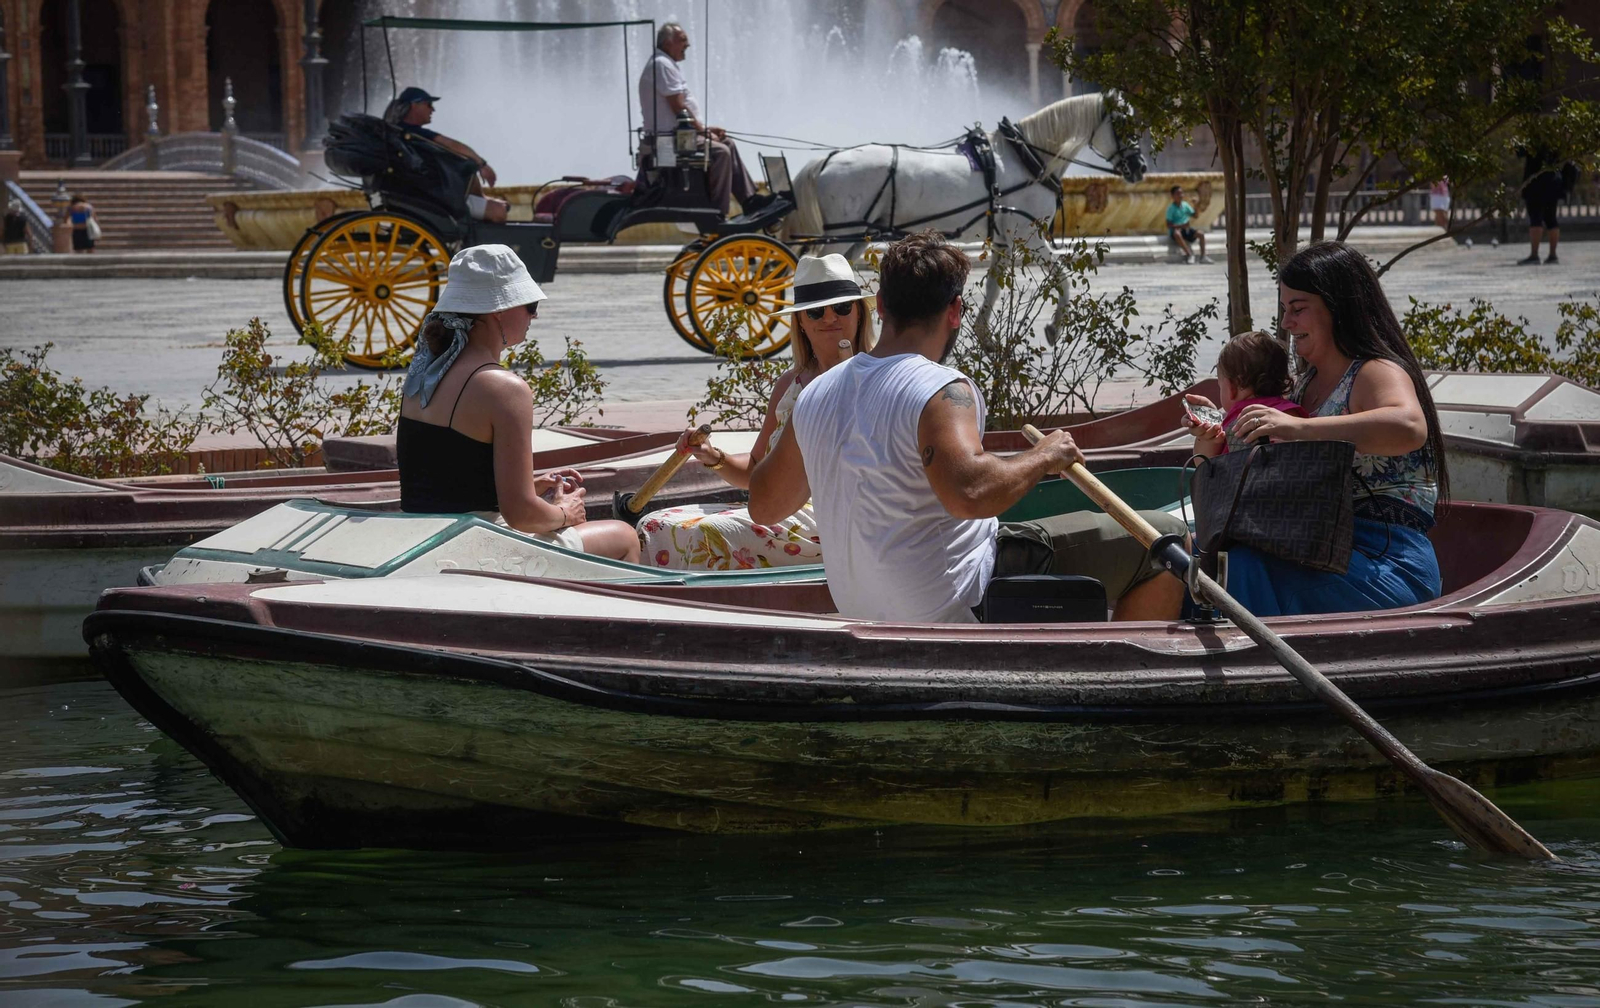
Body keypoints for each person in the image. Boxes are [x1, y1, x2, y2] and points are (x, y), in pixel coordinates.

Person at [748, 231, 1187, 624]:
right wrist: (1044, 456)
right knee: (1167, 539)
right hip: (951, 603)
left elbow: (763, 506)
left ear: (879, 306)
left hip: (859, 609)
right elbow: (971, 494)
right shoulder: (941, 389)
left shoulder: (815, 394)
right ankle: (1121, 677)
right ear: (955, 311)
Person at [1183, 240, 1448, 617]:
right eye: (1285, 310)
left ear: (1338, 307)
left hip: (1384, 562)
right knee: (1195, 558)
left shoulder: (1375, 371)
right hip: (1312, 547)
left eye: (1299, 309)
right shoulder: (1304, 387)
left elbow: (1408, 427)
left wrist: (1298, 429)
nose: (1287, 323)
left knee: (1240, 567)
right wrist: (1212, 439)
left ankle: (1246, 672)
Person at [397, 244, 640, 562]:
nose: (535, 314)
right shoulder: (503, 388)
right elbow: (522, 516)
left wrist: (529, 484)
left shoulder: (423, 374)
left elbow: (444, 476)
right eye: (530, 304)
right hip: (476, 547)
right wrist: (567, 512)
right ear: (498, 308)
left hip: (421, 540)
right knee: (624, 536)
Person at [639, 254, 876, 570]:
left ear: (859, 314)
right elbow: (757, 472)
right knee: (654, 523)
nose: (830, 317)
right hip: (781, 506)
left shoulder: (874, 375)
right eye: (817, 311)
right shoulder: (790, 384)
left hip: (841, 513)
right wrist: (712, 456)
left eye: (842, 307)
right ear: (801, 323)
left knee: (705, 533)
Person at [639, 23, 771, 217]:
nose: (688, 45)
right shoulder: (661, 65)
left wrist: (705, 129)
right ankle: (717, 212)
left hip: (678, 137)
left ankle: (749, 200)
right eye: (683, 40)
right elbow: (679, 108)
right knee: (721, 152)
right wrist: (702, 131)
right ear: (668, 43)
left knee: (729, 143)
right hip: (668, 142)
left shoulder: (664, 63)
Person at [384, 86, 509, 223]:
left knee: (467, 169)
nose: (433, 109)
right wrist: (481, 163)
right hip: (437, 201)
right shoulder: (413, 134)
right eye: (428, 104)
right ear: (414, 105)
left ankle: (484, 201)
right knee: (499, 212)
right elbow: (451, 144)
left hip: (427, 196)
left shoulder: (402, 134)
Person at [1186, 330, 1309, 455]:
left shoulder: (1236, 421)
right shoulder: (1291, 414)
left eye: (1220, 386)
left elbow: (1203, 462)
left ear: (1232, 388)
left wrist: (1208, 432)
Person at [1166, 185, 1211, 264]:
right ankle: (1189, 254)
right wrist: (1181, 226)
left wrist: (1196, 206)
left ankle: (1203, 256)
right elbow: (1169, 225)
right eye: (1178, 193)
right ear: (1173, 196)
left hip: (1186, 229)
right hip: (1178, 229)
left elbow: (1195, 216)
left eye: (1181, 193)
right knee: (1177, 233)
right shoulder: (1171, 208)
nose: (1180, 195)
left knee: (1201, 234)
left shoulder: (1185, 205)